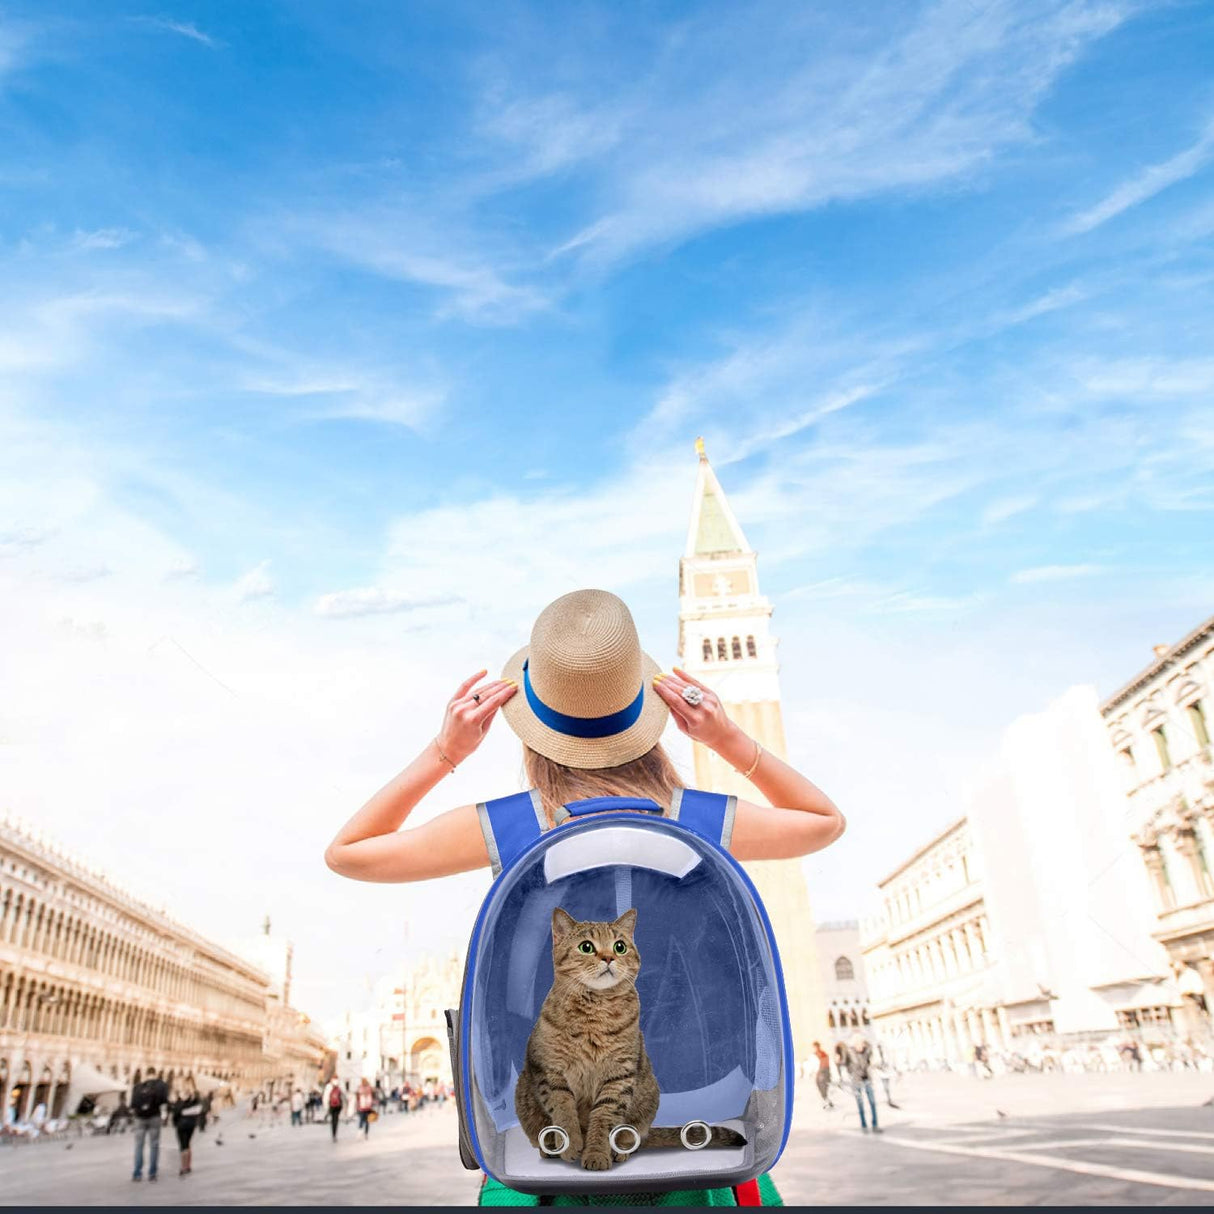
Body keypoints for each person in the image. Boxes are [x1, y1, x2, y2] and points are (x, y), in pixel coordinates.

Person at [325, 589, 845, 1206]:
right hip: (699, 1156)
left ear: (534, 733)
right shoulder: (700, 819)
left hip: (541, 1154)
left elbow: (348, 852)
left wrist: (447, 753)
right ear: (647, 719)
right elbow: (824, 821)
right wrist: (727, 739)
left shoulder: (511, 826)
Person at [130, 1068, 169, 1182]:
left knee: (138, 1146)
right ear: (155, 1074)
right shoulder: (161, 1085)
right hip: (154, 1117)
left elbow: (132, 1105)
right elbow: (164, 1101)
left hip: (139, 1118)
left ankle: (137, 1173)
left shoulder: (137, 1087)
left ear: (146, 1074)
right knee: (154, 1146)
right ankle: (152, 1174)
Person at [847, 1034, 880, 1133]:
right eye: (858, 1044)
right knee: (860, 1104)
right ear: (854, 1045)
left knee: (872, 1103)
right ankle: (864, 1125)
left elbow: (870, 1051)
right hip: (856, 1081)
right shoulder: (850, 1053)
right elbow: (846, 1065)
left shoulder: (867, 1051)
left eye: (862, 1043)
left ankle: (875, 1125)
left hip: (867, 1079)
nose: (860, 1046)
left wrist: (866, 1043)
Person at [171, 1080, 205, 1177]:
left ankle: (183, 1167)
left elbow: (176, 1113)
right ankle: (188, 1165)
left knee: (183, 1146)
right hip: (191, 1124)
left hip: (181, 1124)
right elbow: (199, 1109)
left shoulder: (180, 1099)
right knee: (188, 1144)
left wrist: (175, 1120)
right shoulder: (195, 1098)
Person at [812, 1040, 834, 1109]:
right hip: (821, 1073)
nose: (814, 1048)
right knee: (821, 1088)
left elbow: (824, 1064)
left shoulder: (821, 1053)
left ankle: (826, 1101)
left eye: (815, 1047)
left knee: (823, 1088)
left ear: (817, 1046)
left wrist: (821, 1072)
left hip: (823, 1073)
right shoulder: (818, 1053)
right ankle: (827, 1101)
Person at [324, 1077, 345, 1142]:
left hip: (331, 1106)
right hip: (338, 1106)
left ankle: (333, 1134)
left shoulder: (328, 1087)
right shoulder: (340, 1086)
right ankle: (335, 1134)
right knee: (336, 1120)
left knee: (333, 1120)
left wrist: (326, 1107)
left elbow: (326, 1097)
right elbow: (343, 1096)